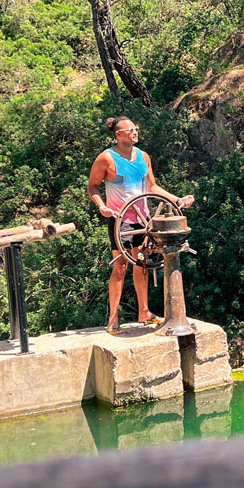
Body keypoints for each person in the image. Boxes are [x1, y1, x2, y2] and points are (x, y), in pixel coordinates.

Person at [88, 116, 194, 334]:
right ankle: (113, 319)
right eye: (130, 130)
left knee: (142, 264)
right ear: (118, 134)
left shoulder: (143, 157)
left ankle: (144, 312)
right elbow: (93, 187)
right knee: (120, 267)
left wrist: (177, 199)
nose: (135, 132)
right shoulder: (106, 159)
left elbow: (152, 187)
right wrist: (101, 206)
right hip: (121, 221)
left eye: (136, 128)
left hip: (143, 221)